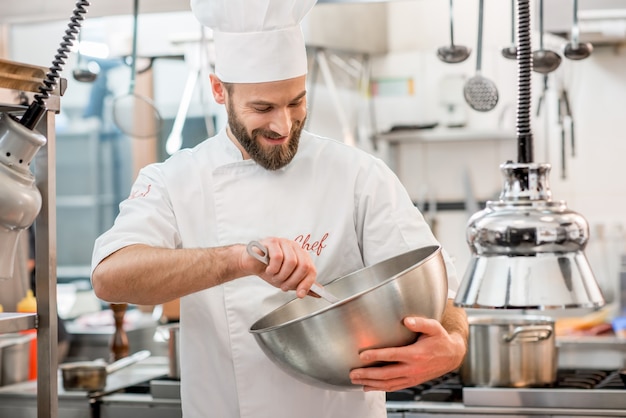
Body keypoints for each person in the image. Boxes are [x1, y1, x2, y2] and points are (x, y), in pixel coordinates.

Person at [91, 0, 468, 417]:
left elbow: (439, 289)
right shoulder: (173, 180)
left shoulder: (359, 175)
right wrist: (238, 259)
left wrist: (452, 344)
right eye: (262, 108)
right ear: (220, 90)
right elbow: (110, 278)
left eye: (296, 102)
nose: (284, 126)